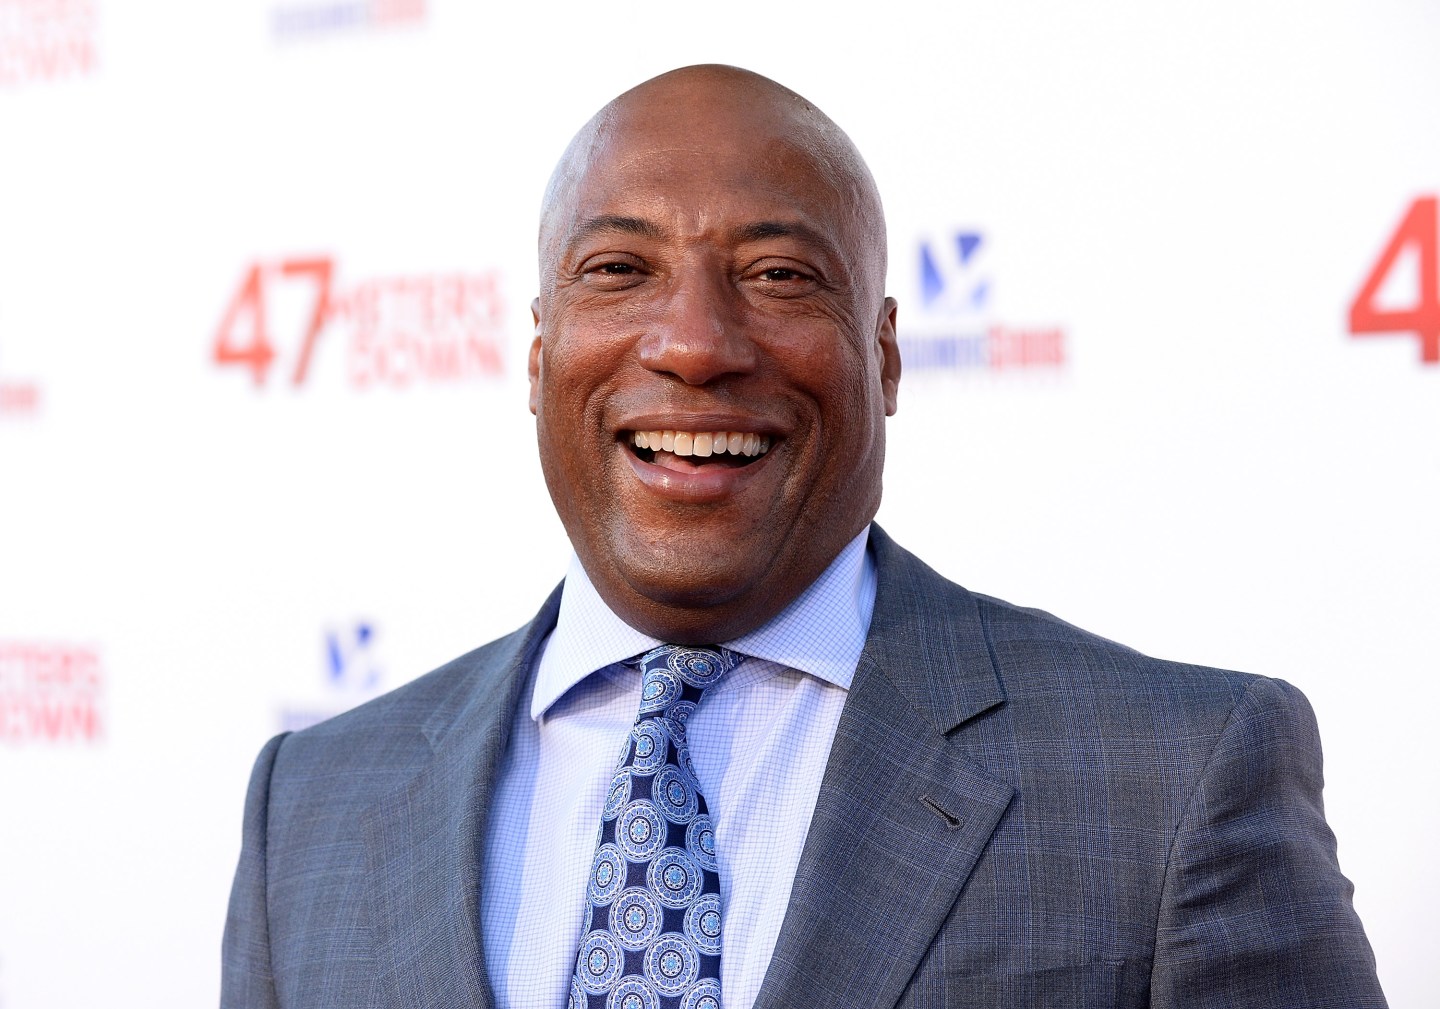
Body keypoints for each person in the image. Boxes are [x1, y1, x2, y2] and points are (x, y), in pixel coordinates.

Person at [221, 65, 1386, 1009]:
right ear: (538, 354)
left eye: (779, 274)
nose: (693, 343)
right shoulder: (312, 806)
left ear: (885, 355)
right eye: (619, 269)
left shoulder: (1172, 777)